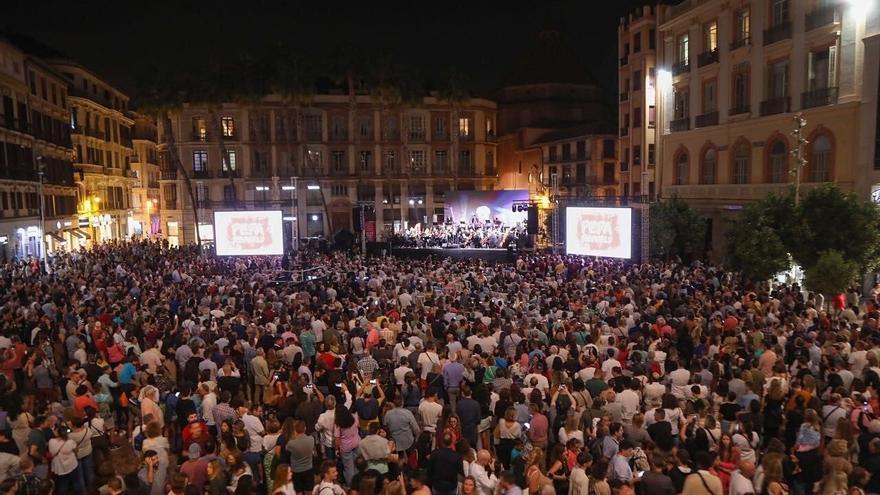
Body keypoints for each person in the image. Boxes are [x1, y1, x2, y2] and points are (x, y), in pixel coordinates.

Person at [286, 421, 315, 495]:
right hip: (308, 468)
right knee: (309, 490)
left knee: (298, 491)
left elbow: (287, 449)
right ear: (305, 428)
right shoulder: (311, 439)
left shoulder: (291, 443)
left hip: (296, 470)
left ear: (295, 430)